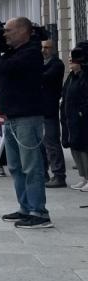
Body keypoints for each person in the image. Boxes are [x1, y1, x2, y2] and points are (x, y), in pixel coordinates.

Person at [0, 17, 52, 229]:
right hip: (10, 117)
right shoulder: (13, 52)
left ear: (23, 31)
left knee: (32, 167)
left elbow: (5, 69)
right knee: (16, 167)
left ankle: (39, 212)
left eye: (9, 30)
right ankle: (25, 207)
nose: (4, 34)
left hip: (27, 117)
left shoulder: (30, 53)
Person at [61, 43, 88, 191]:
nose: (70, 61)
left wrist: (81, 112)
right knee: (75, 147)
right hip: (70, 118)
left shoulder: (85, 77)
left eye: (73, 59)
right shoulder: (71, 77)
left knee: (84, 149)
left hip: (82, 119)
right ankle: (83, 177)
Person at [41, 39, 66, 188]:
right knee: (40, 145)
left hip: (49, 109)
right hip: (38, 108)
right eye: (42, 47)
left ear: (53, 49)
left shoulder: (56, 64)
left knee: (52, 143)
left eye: (47, 48)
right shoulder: (41, 64)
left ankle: (59, 175)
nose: (44, 50)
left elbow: (45, 78)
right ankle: (43, 173)